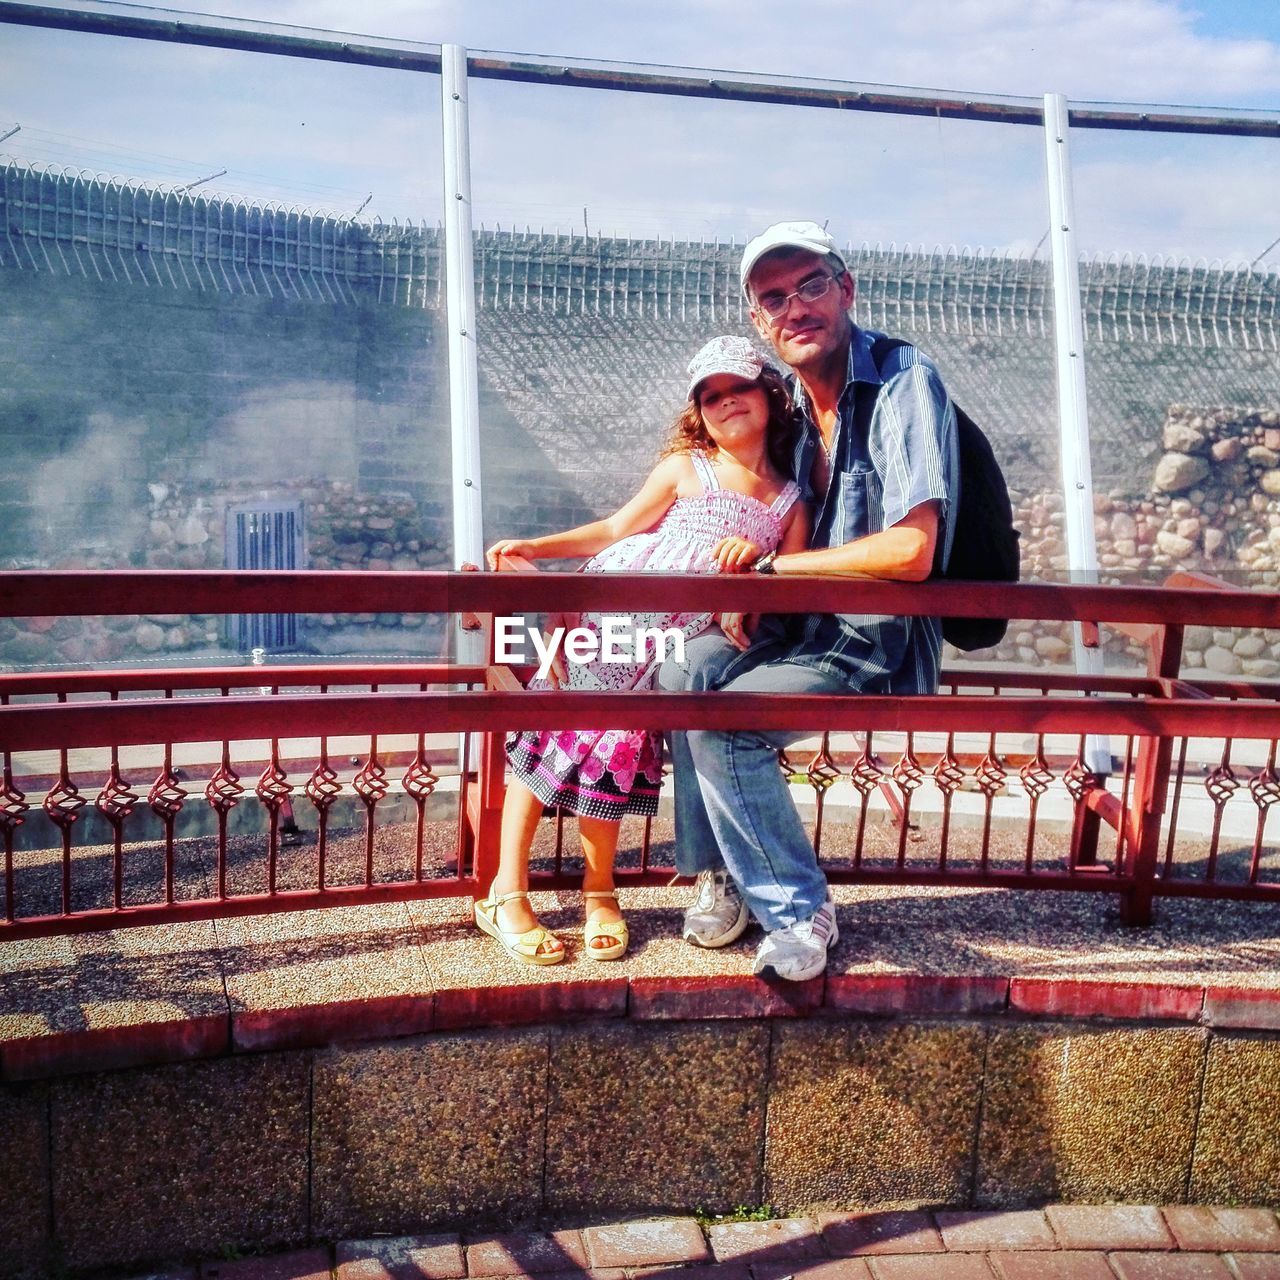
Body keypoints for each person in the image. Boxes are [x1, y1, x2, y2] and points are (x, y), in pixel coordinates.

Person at [660, 220, 960, 982]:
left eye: (812, 286)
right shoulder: (788, 401)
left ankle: (798, 911)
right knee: (681, 669)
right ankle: (724, 871)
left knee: (726, 730)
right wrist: (744, 579)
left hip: (865, 636)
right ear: (759, 320)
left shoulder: (901, 381)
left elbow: (912, 550)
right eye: (774, 297)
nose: (795, 308)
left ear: (846, 289)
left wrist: (771, 574)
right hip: (795, 626)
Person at [477, 335, 810, 965]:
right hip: (615, 615)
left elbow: (787, 579)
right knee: (558, 736)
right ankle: (506, 889)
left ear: (767, 392)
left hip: (675, 641)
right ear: (697, 410)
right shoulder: (688, 467)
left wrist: (756, 563)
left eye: (736, 388)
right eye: (709, 396)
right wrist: (536, 549)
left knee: (619, 751)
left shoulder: (793, 500)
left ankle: (599, 890)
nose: (725, 403)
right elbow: (615, 529)